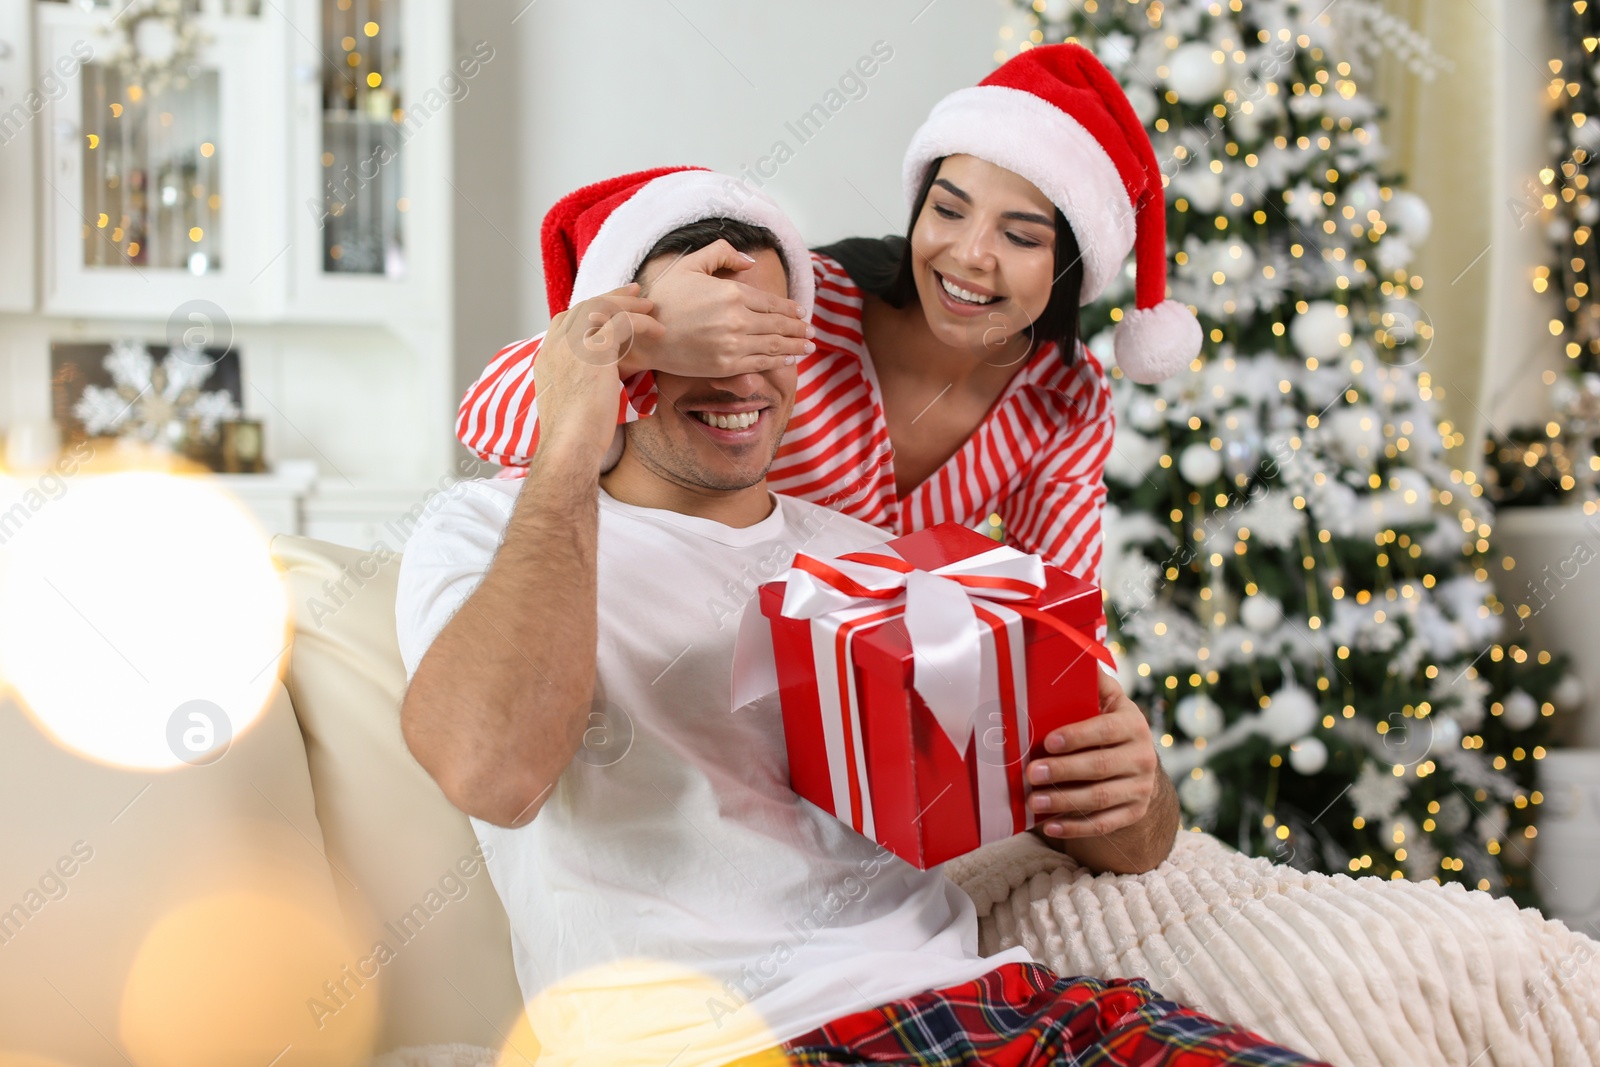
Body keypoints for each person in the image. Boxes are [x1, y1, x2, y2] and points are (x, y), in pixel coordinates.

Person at [397, 170, 1327, 1066]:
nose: (742, 379)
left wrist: (1136, 787)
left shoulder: (872, 555)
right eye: (701, 344)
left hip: (992, 1008)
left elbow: (1126, 837)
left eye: (769, 336)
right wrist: (572, 431)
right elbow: (495, 769)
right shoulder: (489, 530)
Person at [453, 44, 1203, 651]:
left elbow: (1059, 617)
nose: (970, 255)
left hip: (850, 717)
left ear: (1072, 268)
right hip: (682, 652)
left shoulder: (1065, 399)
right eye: (948, 209)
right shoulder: (806, 302)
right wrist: (644, 337)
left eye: (1020, 236)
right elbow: (489, 420)